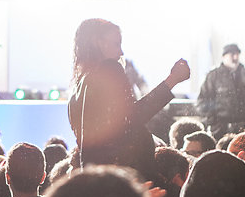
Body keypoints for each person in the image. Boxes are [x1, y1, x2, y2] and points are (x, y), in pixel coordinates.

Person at [67, 18, 190, 178]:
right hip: (124, 176)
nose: (121, 52)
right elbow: (131, 117)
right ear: (98, 42)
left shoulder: (77, 90)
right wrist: (172, 80)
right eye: (116, 44)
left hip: (99, 178)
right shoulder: (109, 68)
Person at [195, 44, 245, 139]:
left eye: (237, 54)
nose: (235, 57)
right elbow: (201, 102)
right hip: (219, 131)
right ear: (224, 57)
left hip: (243, 129)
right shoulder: (213, 76)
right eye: (232, 54)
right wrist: (214, 122)